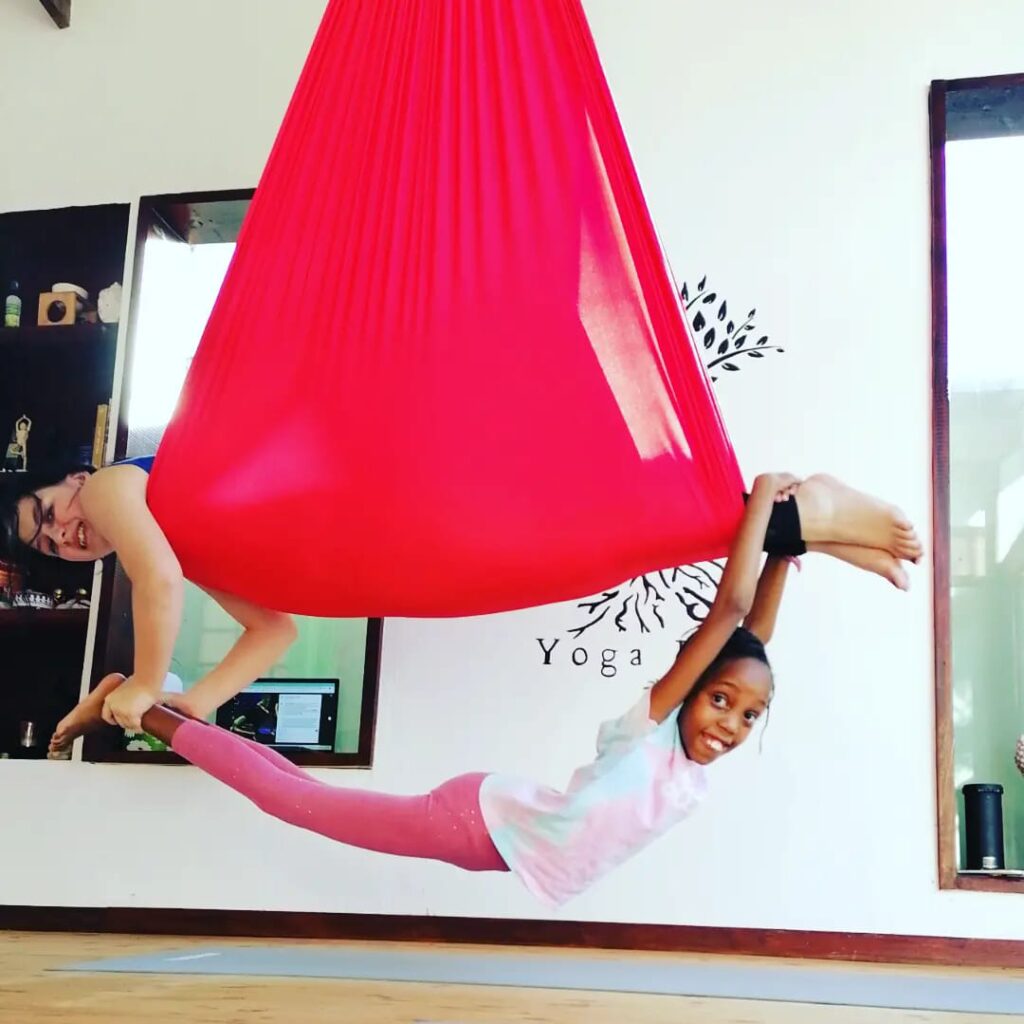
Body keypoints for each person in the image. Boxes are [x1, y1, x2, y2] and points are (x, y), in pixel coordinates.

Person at [46, 471, 921, 907]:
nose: (728, 722)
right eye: (720, 702)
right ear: (687, 693)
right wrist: (766, 496)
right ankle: (144, 705)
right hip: (475, 821)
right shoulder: (654, 727)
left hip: (491, 835)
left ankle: (146, 704)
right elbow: (728, 614)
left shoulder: (693, 760)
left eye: (747, 715)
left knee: (295, 791)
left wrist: (791, 557)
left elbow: (752, 636)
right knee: (296, 800)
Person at [0, 456, 297, 733]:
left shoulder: (103, 485)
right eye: (50, 547)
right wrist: (194, 703)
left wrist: (144, 685)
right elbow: (273, 630)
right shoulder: (179, 545)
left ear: (78, 479)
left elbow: (158, 581)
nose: (59, 535)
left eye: (48, 514)